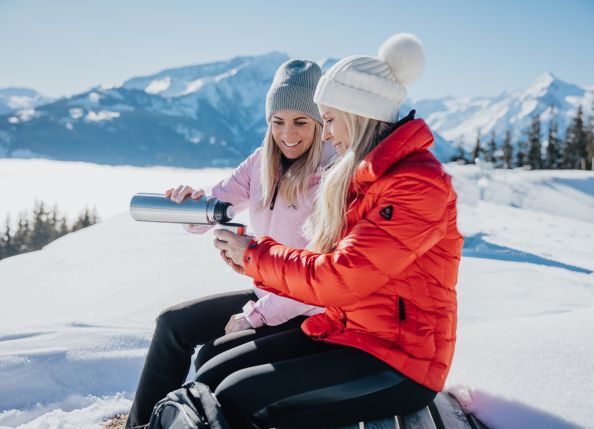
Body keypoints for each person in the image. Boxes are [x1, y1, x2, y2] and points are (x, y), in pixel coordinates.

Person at [207, 33, 464, 428]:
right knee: (215, 373)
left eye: (328, 119)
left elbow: (340, 277)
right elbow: (327, 264)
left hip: (399, 361)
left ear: (358, 114)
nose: (324, 134)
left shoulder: (415, 185)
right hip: (346, 331)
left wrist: (254, 255)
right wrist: (249, 261)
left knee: (238, 396)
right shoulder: (366, 176)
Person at [126, 59, 332, 429]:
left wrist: (254, 316)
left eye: (301, 121)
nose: (288, 133)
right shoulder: (261, 162)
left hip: (308, 310)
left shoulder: (329, 178)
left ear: (319, 124)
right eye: (277, 121)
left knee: (212, 357)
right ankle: (144, 425)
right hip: (268, 295)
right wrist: (191, 203)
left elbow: (320, 280)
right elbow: (215, 207)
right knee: (173, 325)